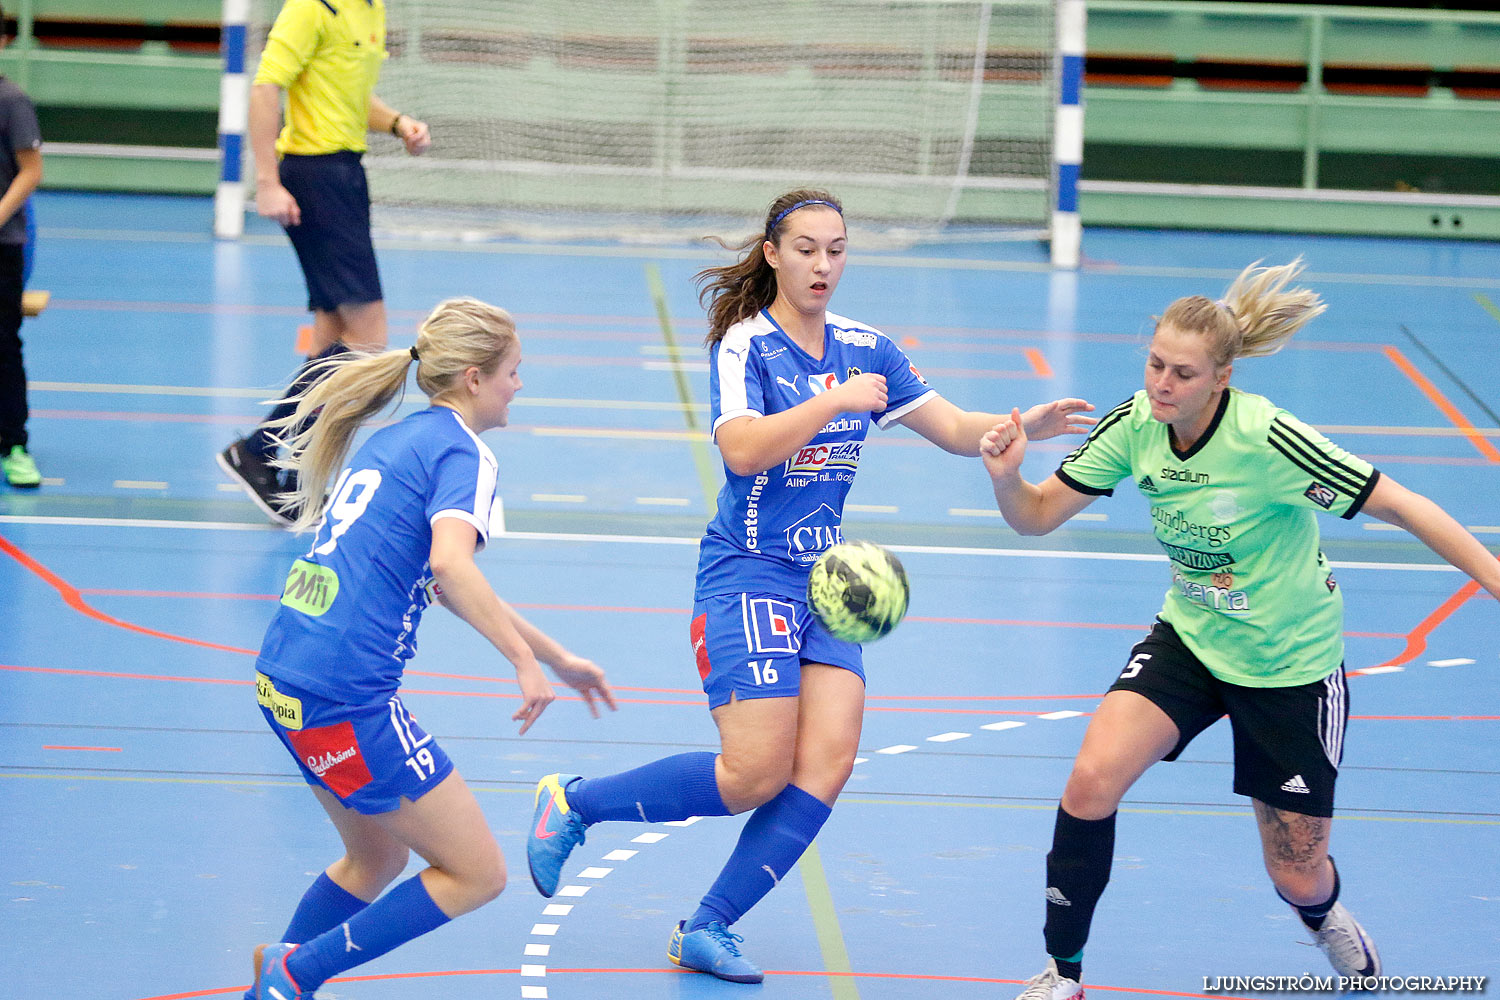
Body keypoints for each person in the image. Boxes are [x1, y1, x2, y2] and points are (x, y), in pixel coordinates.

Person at [524, 189, 1097, 983]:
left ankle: (709, 926)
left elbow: (955, 427)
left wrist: (1015, 428)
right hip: (748, 572)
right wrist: (833, 400)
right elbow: (743, 452)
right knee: (752, 773)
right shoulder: (744, 345)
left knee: (827, 762)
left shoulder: (869, 348)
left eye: (836, 249)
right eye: (806, 249)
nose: (823, 264)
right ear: (773, 254)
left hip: (826, 580)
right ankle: (576, 803)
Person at [978, 259, 1500, 998]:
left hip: (1291, 663)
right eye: (1156, 364)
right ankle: (1063, 973)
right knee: (1091, 781)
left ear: (1221, 377)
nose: (1162, 383)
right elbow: (1033, 518)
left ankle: (1325, 917)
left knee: (1295, 869)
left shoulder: (1269, 439)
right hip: (1192, 638)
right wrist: (1005, 477)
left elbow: (1405, 505)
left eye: (1183, 374)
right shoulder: (1136, 424)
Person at [243, 297, 616, 1000]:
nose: (520, 386)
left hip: (285, 677)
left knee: (377, 857)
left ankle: (280, 980)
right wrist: (522, 662)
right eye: (513, 372)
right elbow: (452, 565)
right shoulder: (463, 452)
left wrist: (555, 655)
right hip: (342, 693)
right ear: (474, 378)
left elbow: (443, 580)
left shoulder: (403, 439)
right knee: (478, 873)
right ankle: (293, 973)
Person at [219, 0, 431, 525]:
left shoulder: (371, 11)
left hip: (345, 174)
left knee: (333, 337)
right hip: (316, 178)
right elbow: (266, 87)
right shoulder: (312, 9)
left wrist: (398, 122)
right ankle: (262, 452)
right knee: (368, 339)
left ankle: (293, 472)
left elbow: (350, 98)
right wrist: (267, 182)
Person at [0, 2, 43, 489]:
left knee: (4, 347)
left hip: (4, 247)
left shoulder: (12, 101)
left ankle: (15, 444)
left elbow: (31, 171)